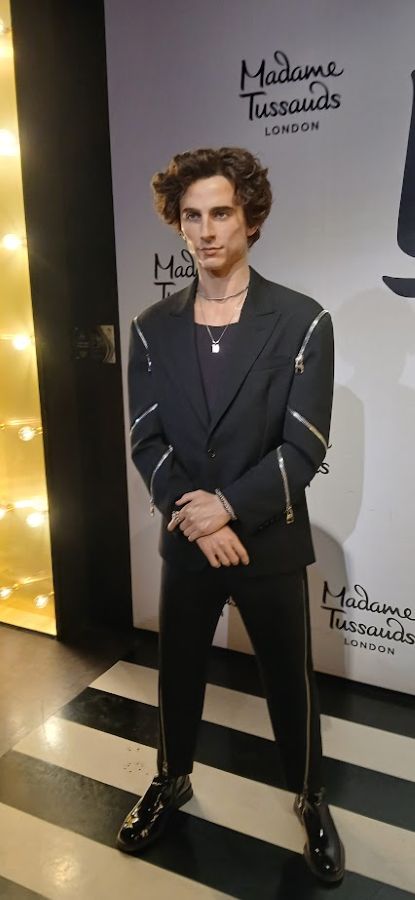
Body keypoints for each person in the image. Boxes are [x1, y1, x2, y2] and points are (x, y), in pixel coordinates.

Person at [116, 146, 345, 883]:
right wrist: (197, 518)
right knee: (177, 673)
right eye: (192, 216)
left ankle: (309, 796)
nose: (207, 229)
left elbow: (304, 445)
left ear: (249, 219)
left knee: (288, 681)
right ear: (178, 225)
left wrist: (227, 509)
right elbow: (146, 438)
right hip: (189, 539)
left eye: (221, 213)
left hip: (267, 538)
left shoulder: (302, 320)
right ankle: (170, 778)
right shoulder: (151, 326)